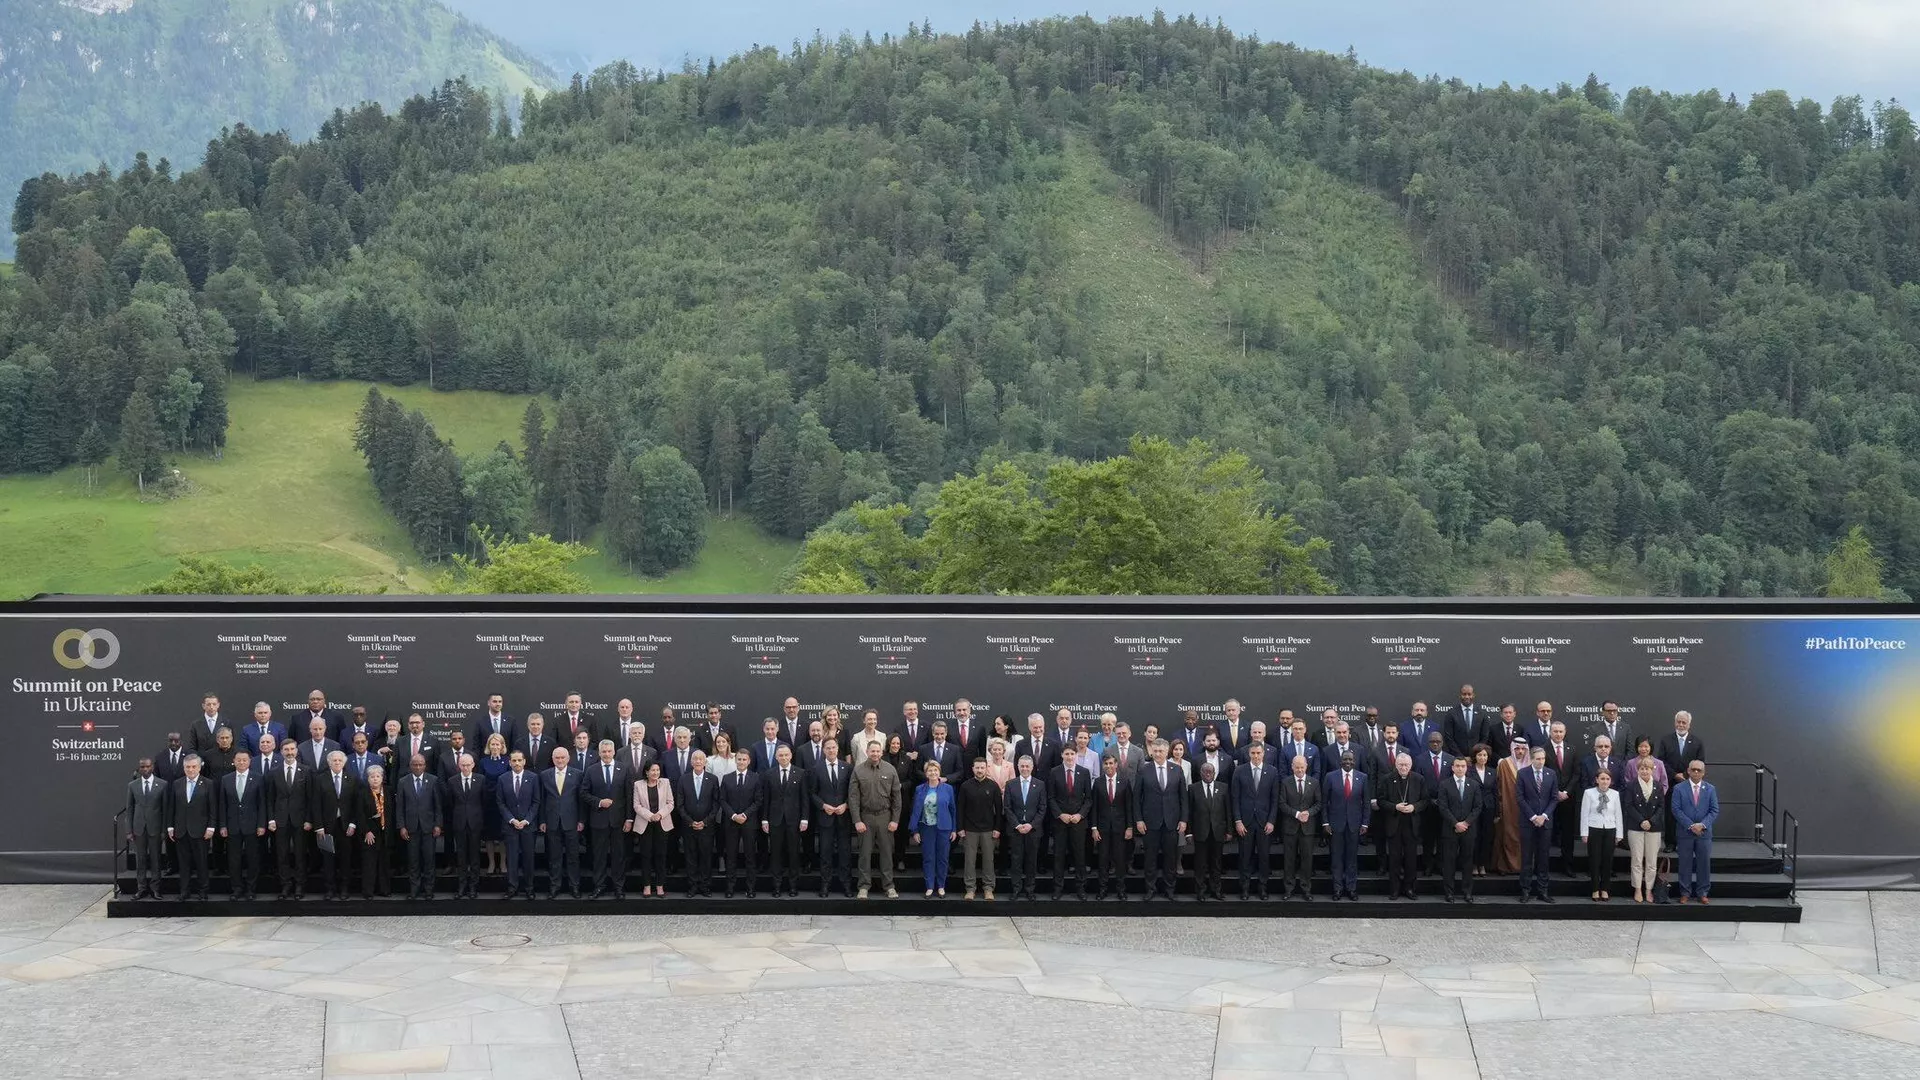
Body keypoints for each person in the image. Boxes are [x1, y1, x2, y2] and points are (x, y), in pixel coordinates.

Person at [1135, 740, 1187, 900]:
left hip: (1171, 822)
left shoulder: (1177, 770)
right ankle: (1150, 889)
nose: (1157, 754)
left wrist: (1183, 819)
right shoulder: (1144, 770)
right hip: (1150, 822)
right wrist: (1139, 820)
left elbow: (1183, 798)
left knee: (1170, 859)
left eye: (1161, 751)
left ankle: (1169, 889)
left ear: (1167, 752)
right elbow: (1136, 797)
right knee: (1150, 859)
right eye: (1155, 751)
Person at [849, 740, 901, 899]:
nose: (875, 754)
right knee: (864, 854)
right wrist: (857, 820)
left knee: (886, 853)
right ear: (867, 751)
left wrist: (895, 820)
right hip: (866, 817)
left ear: (881, 752)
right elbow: (853, 798)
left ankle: (889, 886)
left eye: (878, 751)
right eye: (872, 751)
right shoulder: (858, 771)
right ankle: (864, 886)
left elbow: (897, 798)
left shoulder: (890, 769)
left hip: (885, 817)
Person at [583, 740, 633, 899]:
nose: (606, 754)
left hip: (618, 821)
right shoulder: (591, 770)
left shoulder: (623, 768)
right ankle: (599, 886)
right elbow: (583, 793)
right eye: (603, 751)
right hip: (598, 820)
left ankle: (619, 888)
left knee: (619, 856)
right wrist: (599, 802)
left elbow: (628, 795)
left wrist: (629, 819)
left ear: (614, 752)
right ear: (599, 753)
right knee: (599, 856)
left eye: (609, 751)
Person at [1232, 741, 1280, 899]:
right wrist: (1238, 820)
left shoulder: (1272, 771)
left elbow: (1275, 800)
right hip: (1245, 822)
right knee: (1245, 857)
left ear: (1263, 753)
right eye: (1253, 753)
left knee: (1264, 857)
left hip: (1265, 822)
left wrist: (1272, 821)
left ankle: (1262, 887)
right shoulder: (1239, 771)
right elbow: (1235, 798)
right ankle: (1244, 888)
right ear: (1248, 754)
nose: (1256, 756)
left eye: (1258, 753)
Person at [310, 750, 359, 901]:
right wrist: (318, 826)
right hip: (326, 826)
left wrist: (353, 823)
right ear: (329, 762)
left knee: (345, 858)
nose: (337, 763)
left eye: (339, 760)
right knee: (328, 859)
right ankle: (330, 889)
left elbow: (356, 804)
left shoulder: (352, 779)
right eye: (334, 760)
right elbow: (315, 804)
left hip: (345, 826)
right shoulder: (320, 779)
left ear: (344, 762)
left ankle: (344, 888)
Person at [1377, 754, 1426, 900]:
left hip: (1411, 824)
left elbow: (1425, 800)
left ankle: (1409, 888)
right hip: (1394, 824)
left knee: (1411, 859)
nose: (1403, 768)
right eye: (1400, 765)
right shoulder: (1387, 779)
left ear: (1411, 765)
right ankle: (1395, 889)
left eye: (1406, 765)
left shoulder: (1419, 779)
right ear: (1396, 765)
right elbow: (1380, 801)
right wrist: (1395, 807)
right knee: (1394, 859)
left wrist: (1414, 807)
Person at [218, 750, 265, 900]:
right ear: (234, 761)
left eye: (245, 760)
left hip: (252, 826)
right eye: (239, 760)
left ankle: (251, 890)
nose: (242, 763)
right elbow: (222, 804)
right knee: (234, 860)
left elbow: (262, 803)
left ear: (250, 762)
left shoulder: (258, 778)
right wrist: (223, 825)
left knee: (253, 859)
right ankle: (237, 889)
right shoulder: (226, 779)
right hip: (232, 826)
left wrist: (261, 824)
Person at [761, 744, 807, 897]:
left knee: (793, 854)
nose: (784, 758)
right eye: (781, 755)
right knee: (776, 854)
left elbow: (804, 799)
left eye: (786, 755)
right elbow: (765, 799)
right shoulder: (769, 774)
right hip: (775, 820)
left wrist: (804, 819)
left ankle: (793, 886)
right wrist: (764, 820)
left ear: (791, 756)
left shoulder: (800, 773)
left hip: (794, 820)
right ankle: (777, 886)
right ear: (776, 757)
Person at [539, 747, 585, 899]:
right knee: (554, 857)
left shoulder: (577, 774)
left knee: (573, 857)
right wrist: (542, 820)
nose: (559, 760)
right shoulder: (545, 775)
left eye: (562, 757)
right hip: (552, 822)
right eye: (557, 758)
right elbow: (541, 800)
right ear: (553, 759)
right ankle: (555, 886)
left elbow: (580, 800)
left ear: (568, 758)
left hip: (571, 822)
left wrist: (581, 820)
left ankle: (574, 886)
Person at [1048, 745, 1093, 899]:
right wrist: (1060, 814)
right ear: (1062, 755)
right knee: (1059, 856)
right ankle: (1057, 888)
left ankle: (1080, 888)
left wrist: (1080, 815)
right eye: (1066, 753)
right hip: (1060, 822)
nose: (1069, 757)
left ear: (1076, 755)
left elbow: (1088, 799)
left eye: (1072, 754)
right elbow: (1051, 798)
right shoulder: (1054, 772)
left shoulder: (1084, 772)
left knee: (1079, 856)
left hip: (1078, 822)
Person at [809, 738, 853, 897]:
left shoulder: (847, 767)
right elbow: (812, 793)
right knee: (825, 852)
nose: (831, 750)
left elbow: (853, 792)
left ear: (837, 748)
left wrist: (846, 805)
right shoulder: (816, 769)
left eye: (834, 747)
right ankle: (825, 884)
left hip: (843, 817)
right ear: (823, 750)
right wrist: (823, 806)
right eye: (828, 748)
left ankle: (846, 884)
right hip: (825, 818)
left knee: (845, 853)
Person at [169, 754, 216, 900]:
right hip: (181, 830)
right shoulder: (177, 783)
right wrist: (170, 827)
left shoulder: (208, 783)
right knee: (183, 864)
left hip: (201, 831)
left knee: (201, 862)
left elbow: (213, 808)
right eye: (187, 767)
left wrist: (211, 827)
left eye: (194, 766)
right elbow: (172, 807)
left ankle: (203, 891)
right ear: (183, 768)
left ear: (200, 767)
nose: (191, 770)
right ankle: (184, 891)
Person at [1323, 751, 1368, 901]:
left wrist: (1365, 823)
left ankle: (1351, 888)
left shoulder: (1362, 777)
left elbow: (1366, 803)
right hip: (1335, 824)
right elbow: (1324, 802)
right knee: (1336, 859)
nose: (1347, 762)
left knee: (1351, 859)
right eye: (1345, 759)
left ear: (1354, 761)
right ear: (1340, 761)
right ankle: (1337, 889)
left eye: (1350, 759)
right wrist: (1325, 822)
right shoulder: (1330, 777)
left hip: (1354, 825)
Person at [397, 754, 443, 900]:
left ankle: (429, 891)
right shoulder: (403, 782)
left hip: (429, 828)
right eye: (415, 765)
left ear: (425, 765)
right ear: (410, 766)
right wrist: (401, 826)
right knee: (413, 861)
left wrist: (438, 825)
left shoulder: (433, 780)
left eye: (420, 764)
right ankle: (414, 891)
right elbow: (400, 807)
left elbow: (438, 806)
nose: (418, 767)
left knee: (429, 861)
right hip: (411, 828)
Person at [1435, 755, 1480, 903]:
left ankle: (1467, 892)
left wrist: (1466, 823)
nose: (1460, 768)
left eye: (1463, 766)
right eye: (1457, 766)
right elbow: (1442, 807)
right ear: (1452, 767)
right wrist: (1456, 824)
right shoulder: (1444, 784)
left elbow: (1477, 807)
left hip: (1469, 829)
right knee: (1449, 862)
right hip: (1450, 829)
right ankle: (1449, 892)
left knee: (1467, 862)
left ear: (1467, 768)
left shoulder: (1473, 785)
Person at [956, 757, 1003, 900]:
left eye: (982, 768)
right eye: (977, 768)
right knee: (969, 860)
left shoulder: (993, 786)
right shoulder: (965, 786)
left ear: (986, 768)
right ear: (973, 769)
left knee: (988, 860)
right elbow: (960, 808)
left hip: (989, 830)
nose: (980, 770)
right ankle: (970, 888)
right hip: (970, 829)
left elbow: (999, 809)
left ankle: (988, 888)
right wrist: (960, 828)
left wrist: (997, 828)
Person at [1672, 760, 1719, 904]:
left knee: (1704, 864)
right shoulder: (1679, 788)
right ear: (1688, 771)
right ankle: (1685, 892)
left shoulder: (1710, 789)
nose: (1696, 772)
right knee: (1684, 864)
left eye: (1699, 770)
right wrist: (1691, 825)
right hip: (1685, 833)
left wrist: (1702, 825)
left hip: (1704, 834)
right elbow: (1676, 809)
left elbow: (1714, 810)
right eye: (1693, 770)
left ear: (1704, 772)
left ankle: (1702, 893)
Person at [718, 748, 762, 896]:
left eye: (744, 759)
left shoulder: (756, 778)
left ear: (749, 761)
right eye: (739, 759)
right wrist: (733, 815)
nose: (741, 762)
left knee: (750, 856)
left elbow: (758, 801)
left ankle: (751, 888)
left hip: (749, 823)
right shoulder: (727, 778)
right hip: (731, 823)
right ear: (735, 760)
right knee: (731, 856)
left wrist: (744, 814)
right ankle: (730, 887)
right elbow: (722, 800)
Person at [676, 750, 721, 896]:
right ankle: (693, 885)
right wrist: (690, 822)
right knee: (690, 857)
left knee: (706, 856)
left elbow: (716, 804)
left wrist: (705, 821)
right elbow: (680, 804)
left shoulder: (713, 779)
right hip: (689, 826)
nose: (698, 761)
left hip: (706, 826)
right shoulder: (683, 779)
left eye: (701, 759)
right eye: (695, 759)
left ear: (705, 762)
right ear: (691, 762)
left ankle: (705, 885)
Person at [1517, 748, 1558, 903]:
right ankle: (1525, 890)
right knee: (1527, 857)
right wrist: (1533, 817)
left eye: (1543, 759)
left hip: (1545, 822)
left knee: (1543, 858)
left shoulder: (1551, 774)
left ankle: (1543, 890)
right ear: (1531, 759)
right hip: (1528, 822)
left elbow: (1554, 798)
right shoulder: (1522, 774)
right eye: (1538, 759)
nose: (1541, 761)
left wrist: (1544, 816)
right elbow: (1520, 798)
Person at [497, 750, 540, 899]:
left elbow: (536, 802)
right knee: (512, 858)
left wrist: (527, 820)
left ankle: (529, 888)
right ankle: (512, 887)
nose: (516, 763)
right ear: (509, 762)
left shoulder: (533, 778)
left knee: (529, 858)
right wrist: (512, 820)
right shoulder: (502, 779)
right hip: (510, 826)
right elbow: (500, 803)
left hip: (528, 826)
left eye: (519, 760)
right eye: (514, 761)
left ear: (524, 762)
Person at [1090, 754, 1133, 900]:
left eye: (1111, 763)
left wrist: (1129, 827)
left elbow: (1129, 806)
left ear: (1116, 765)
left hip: (1120, 828)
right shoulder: (1098, 782)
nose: (1108, 766)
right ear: (1103, 766)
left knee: (1120, 860)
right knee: (1103, 860)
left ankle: (1121, 890)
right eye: (1106, 764)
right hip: (1102, 828)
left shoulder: (1125, 782)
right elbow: (1094, 806)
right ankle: (1102, 889)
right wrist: (1094, 828)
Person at [911, 762, 957, 897]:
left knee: (943, 858)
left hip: (944, 828)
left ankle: (941, 886)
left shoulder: (948, 788)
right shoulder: (920, 789)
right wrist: (915, 830)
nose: (933, 773)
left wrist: (954, 829)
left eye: (935, 770)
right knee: (928, 858)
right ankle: (930, 886)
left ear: (939, 772)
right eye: (930, 771)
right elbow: (915, 811)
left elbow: (953, 810)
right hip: (926, 828)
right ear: (926, 773)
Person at [1005, 756, 1048, 901]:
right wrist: (1017, 825)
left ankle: (1030, 890)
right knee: (1016, 861)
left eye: (1027, 766)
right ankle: (1016, 889)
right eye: (1022, 766)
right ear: (1017, 766)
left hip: (1033, 830)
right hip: (1016, 829)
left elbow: (1042, 808)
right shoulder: (1010, 784)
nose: (1024, 769)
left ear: (1032, 767)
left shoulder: (1040, 784)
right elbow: (1007, 808)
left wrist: (1031, 825)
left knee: (1031, 861)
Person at [1278, 753, 1320, 901]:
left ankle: (1306, 889)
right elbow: (1282, 803)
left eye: (1302, 767)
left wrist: (1309, 812)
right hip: (1290, 827)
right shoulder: (1285, 782)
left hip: (1307, 828)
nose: (1300, 770)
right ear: (1292, 767)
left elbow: (1318, 803)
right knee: (1289, 859)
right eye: (1297, 767)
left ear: (1307, 767)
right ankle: (1288, 889)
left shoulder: (1314, 782)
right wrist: (1296, 814)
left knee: (1306, 860)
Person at [126, 758, 169, 899]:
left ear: (153, 767)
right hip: (138, 828)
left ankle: (156, 889)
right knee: (141, 860)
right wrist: (129, 830)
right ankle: (141, 888)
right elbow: (130, 809)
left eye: (147, 766)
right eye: (142, 767)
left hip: (155, 828)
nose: (145, 769)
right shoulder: (132, 785)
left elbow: (165, 810)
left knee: (156, 859)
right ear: (139, 768)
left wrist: (164, 830)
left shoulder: (162, 784)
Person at [1624, 758, 1666, 904]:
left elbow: (1661, 807)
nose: (1644, 771)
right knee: (1636, 860)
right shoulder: (1631, 785)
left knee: (1651, 861)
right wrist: (1641, 820)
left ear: (1652, 770)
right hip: (1636, 827)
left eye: (1647, 768)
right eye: (1641, 768)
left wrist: (1651, 821)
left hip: (1654, 828)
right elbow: (1628, 806)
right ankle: (1637, 889)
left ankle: (1648, 890)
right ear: (1638, 770)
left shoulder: (1658, 786)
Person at [446, 753, 488, 898]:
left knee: (475, 856)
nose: (465, 768)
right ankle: (462, 886)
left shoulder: (481, 780)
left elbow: (484, 801)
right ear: (459, 765)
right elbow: (450, 803)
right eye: (463, 765)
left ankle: (473, 887)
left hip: (475, 823)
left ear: (473, 765)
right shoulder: (452, 781)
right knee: (461, 857)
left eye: (468, 765)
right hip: (459, 824)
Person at [1188, 761, 1230, 901]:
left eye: (1210, 772)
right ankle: (1200, 891)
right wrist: (1189, 832)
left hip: (1218, 832)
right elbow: (1189, 812)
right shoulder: (1193, 788)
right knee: (1200, 864)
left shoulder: (1223, 788)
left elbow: (1228, 811)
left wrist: (1229, 830)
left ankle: (1216, 890)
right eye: (1205, 772)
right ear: (1200, 774)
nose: (1207, 774)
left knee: (1216, 863)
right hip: (1200, 832)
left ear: (1214, 773)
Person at [631, 761, 675, 897]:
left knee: (661, 855)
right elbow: (636, 806)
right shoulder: (638, 785)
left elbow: (670, 803)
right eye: (652, 770)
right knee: (646, 856)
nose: (655, 773)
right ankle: (647, 886)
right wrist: (651, 816)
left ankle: (660, 886)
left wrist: (660, 815)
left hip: (662, 823)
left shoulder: (665, 783)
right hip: (645, 824)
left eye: (657, 770)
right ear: (646, 772)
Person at [1580, 767, 1622, 901]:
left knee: (1607, 860)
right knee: (1594, 860)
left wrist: (1619, 834)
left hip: (1610, 828)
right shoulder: (1589, 793)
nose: (1605, 781)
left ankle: (1605, 889)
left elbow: (1618, 815)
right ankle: (1595, 889)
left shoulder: (1615, 794)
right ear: (1596, 780)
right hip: (1594, 828)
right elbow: (1584, 813)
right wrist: (1584, 832)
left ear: (1611, 781)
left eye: (1607, 779)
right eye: (1602, 778)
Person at [355, 765, 395, 898]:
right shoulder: (362, 793)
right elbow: (359, 814)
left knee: (384, 863)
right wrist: (366, 831)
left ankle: (384, 890)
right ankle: (368, 892)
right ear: (368, 779)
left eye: (378, 776)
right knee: (369, 863)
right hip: (370, 834)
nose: (375, 779)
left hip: (385, 832)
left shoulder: (388, 791)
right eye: (372, 777)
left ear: (382, 778)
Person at [1493, 739, 1528, 875]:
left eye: (1522, 749)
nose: (1520, 752)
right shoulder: (1504, 764)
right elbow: (1498, 787)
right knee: (1507, 834)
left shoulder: (1530, 764)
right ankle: (1505, 866)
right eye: (1517, 749)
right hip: (1508, 806)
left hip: (1526, 808)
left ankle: (1523, 866)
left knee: (1524, 837)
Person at [478, 733, 512, 874]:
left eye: (498, 744)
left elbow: (510, 781)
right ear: (489, 746)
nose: (495, 747)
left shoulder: (507, 760)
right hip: (488, 803)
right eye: (493, 744)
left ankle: (503, 863)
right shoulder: (483, 762)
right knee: (489, 836)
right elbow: (480, 781)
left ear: (502, 746)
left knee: (503, 835)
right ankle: (492, 863)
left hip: (503, 803)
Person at [1467, 744, 1497, 878]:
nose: (1482, 757)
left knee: (1487, 837)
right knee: (1474, 837)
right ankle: (1473, 864)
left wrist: (1497, 813)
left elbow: (1496, 793)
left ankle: (1482, 864)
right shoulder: (1469, 771)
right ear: (1475, 756)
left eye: (1485, 755)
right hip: (1473, 809)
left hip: (1489, 809)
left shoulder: (1493, 771)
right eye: (1479, 755)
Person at [1443, 684, 1483, 757]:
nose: (1467, 697)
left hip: (1476, 758)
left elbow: (1484, 737)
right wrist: (1461, 757)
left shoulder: (1482, 714)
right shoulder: (1451, 713)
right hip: (1456, 758)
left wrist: (1475, 755)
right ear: (1460, 695)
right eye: (1464, 694)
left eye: (1469, 694)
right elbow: (1449, 738)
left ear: (1473, 695)